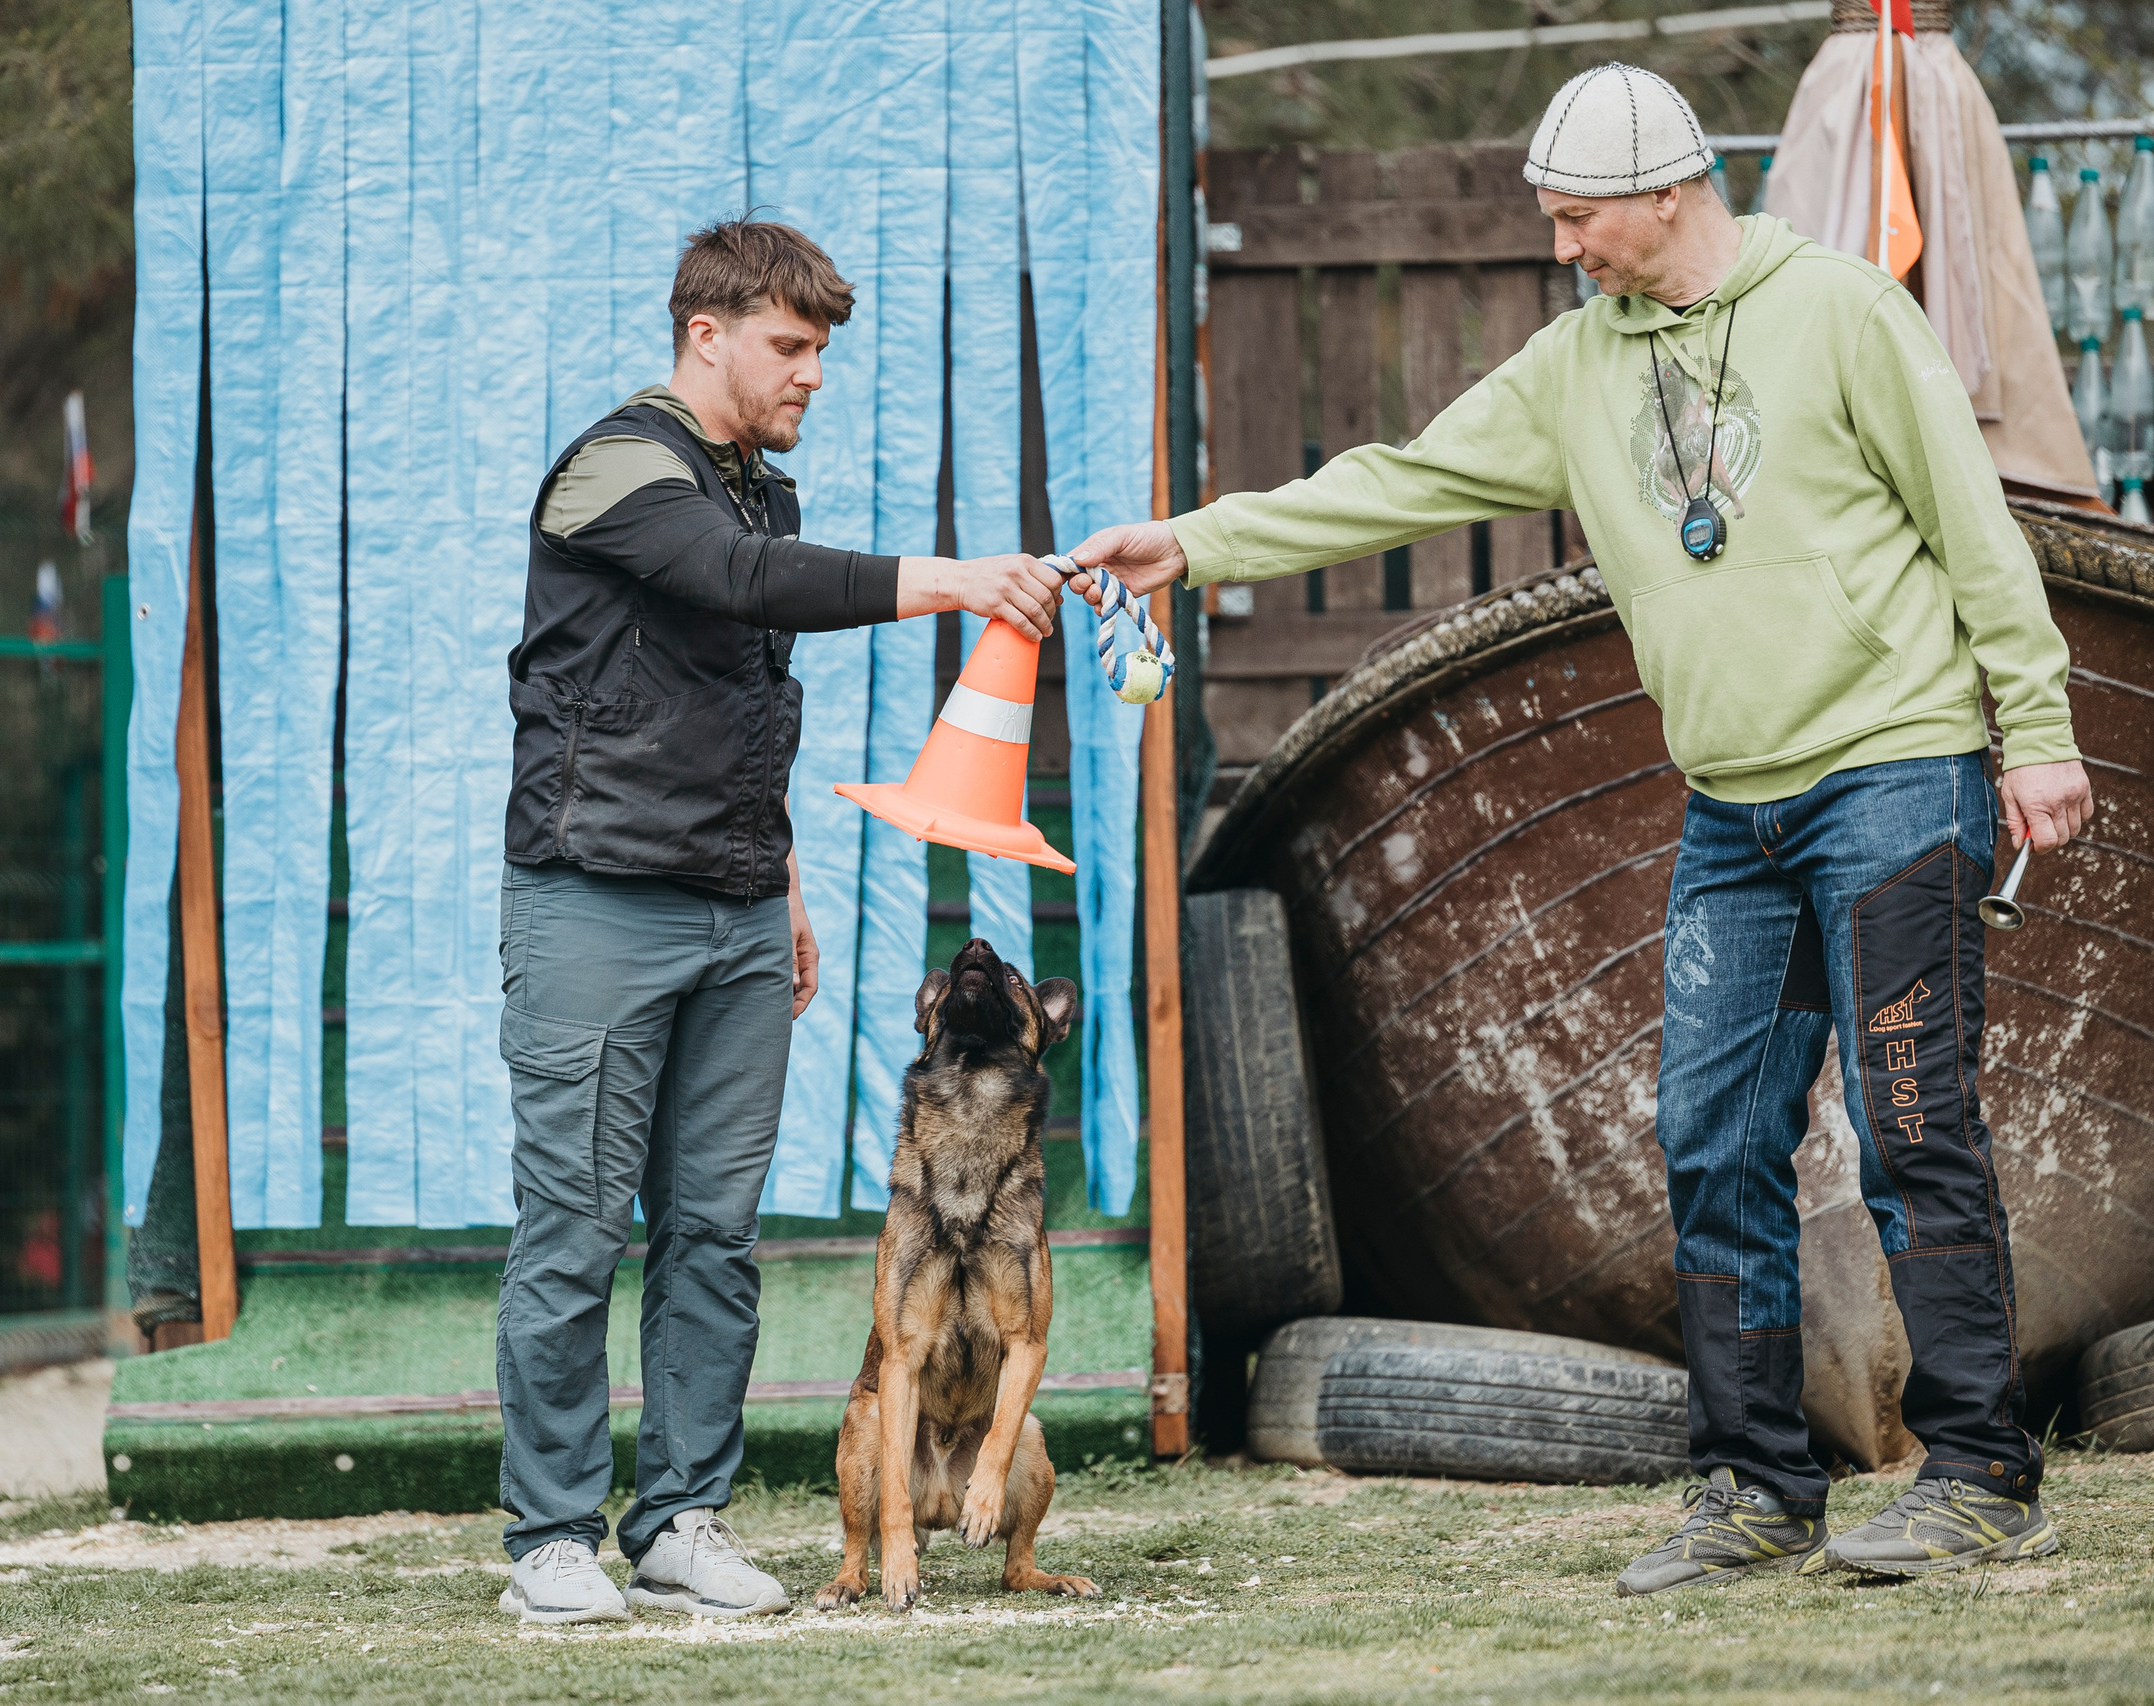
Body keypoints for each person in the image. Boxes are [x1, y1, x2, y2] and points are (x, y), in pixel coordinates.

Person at [1069, 63, 2091, 1596]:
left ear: (1667, 192)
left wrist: (2046, 731)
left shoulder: (1844, 314)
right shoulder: (1574, 368)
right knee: (1709, 1136)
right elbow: (1399, 482)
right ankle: (1753, 1485)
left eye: (1576, 219)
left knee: (1913, 1123)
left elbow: (1975, 530)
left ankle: (1980, 1476)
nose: (1562, 248)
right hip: (1732, 808)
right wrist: (1192, 544)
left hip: (1896, 768)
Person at [494, 216, 1067, 1624]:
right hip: (597, 904)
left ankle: (681, 1516)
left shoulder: (765, 491)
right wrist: (955, 580)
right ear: (708, 332)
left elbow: (745, 707)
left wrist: (788, 877)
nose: (812, 375)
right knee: (573, 1227)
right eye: (791, 347)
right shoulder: (616, 468)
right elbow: (743, 589)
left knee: (713, 1235)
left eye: (821, 351)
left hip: (742, 909)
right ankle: (551, 1537)